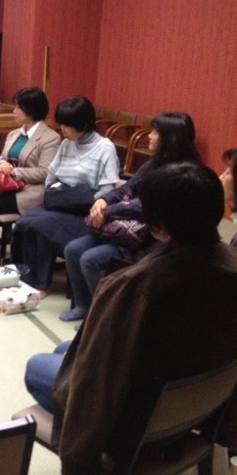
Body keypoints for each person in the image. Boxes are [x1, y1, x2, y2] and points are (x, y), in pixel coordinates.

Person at [24, 162, 237, 475]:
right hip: (202, 404)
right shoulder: (230, 266)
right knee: (64, 348)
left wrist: (80, 464)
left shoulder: (133, 287)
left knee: (36, 366)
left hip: (142, 422)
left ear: (159, 226)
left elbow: (96, 380)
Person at [60, 112, 201, 321]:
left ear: (170, 138)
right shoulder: (153, 163)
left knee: (90, 260)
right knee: (72, 249)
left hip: (147, 238)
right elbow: (127, 187)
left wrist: (108, 211)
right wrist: (103, 200)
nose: (149, 136)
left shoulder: (183, 173)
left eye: (155, 133)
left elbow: (146, 207)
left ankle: (105, 317)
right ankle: (83, 305)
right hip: (122, 228)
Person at [11, 96, 120, 295]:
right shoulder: (67, 143)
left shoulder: (105, 148)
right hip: (60, 202)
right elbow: (51, 175)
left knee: (41, 225)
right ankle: (26, 275)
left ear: (83, 124)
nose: (62, 129)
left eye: (66, 125)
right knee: (25, 222)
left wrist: (81, 197)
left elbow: (107, 189)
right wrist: (58, 192)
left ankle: (42, 284)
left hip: (83, 209)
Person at [0, 87, 61, 263]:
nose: (14, 111)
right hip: (4, 186)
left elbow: (46, 172)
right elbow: (1, 158)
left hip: (29, 191)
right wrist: (2, 164)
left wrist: (14, 171)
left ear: (31, 111)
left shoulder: (50, 138)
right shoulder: (15, 133)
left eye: (18, 107)